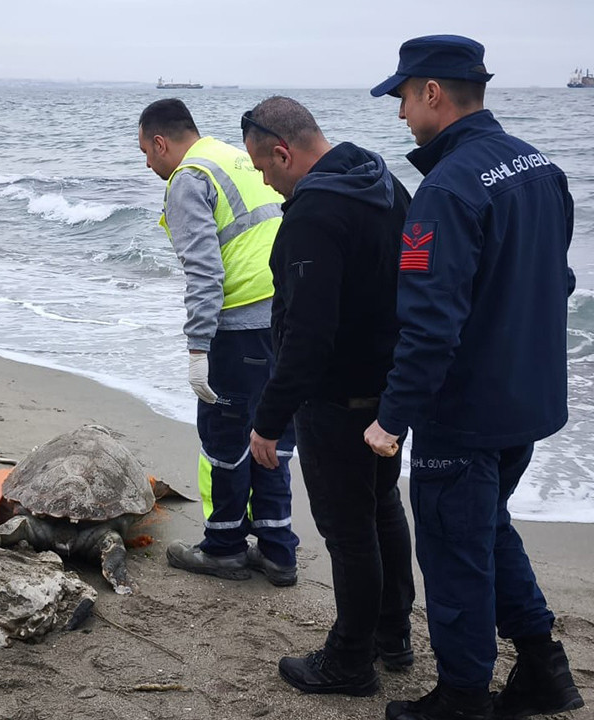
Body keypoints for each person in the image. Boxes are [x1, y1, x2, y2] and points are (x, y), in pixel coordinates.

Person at [363, 36, 585, 720]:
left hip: (465, 409)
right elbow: (560, 279)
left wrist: (391, 417)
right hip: (530, 397)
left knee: (455, 548)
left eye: (403, 95)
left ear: (433, 92)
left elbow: (429, 324)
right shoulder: (540, 166)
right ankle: (545, 671)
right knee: (486, 526)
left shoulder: (449, 188)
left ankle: (461, 697)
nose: (399, 112)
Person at [239, 96, 417, 697]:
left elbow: (308, 335)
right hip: (387, 390)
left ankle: (350, 661)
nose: (265, 180)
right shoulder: (381, 179)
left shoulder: (314, 215)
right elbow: (417, 268)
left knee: (348, 531)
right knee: (382, 508)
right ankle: (394, 635)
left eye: (264, 169)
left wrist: (269, 419)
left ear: (283, 152)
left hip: (337, 398)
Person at [137, 98, 300, 584]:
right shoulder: (233, 157)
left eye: (147, 152)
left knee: (224, 440)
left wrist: (198, 348)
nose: (149, 165)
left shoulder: (189, 178)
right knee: (270, 436)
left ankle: (224, 546)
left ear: (162, 142)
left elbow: (204, 272)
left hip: (238, 328)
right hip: (284, 317)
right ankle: (278, 552)